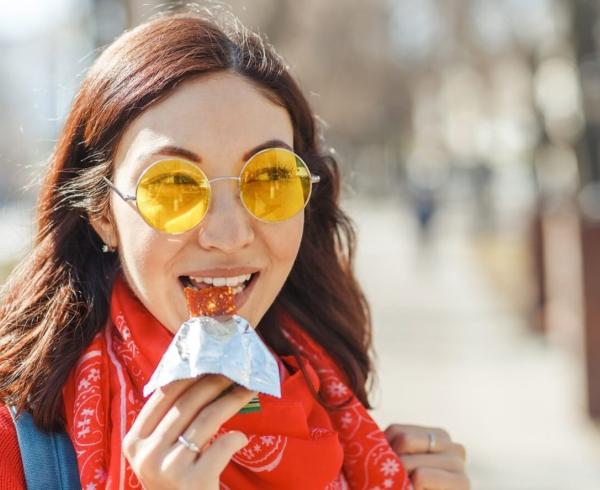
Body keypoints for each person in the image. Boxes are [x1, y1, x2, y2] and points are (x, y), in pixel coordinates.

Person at [0, 9, 469, 490]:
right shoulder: (14, 445)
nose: (229, 234)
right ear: (102, 213)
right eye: (174, 186)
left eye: (270, 178)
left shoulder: (331, 406)